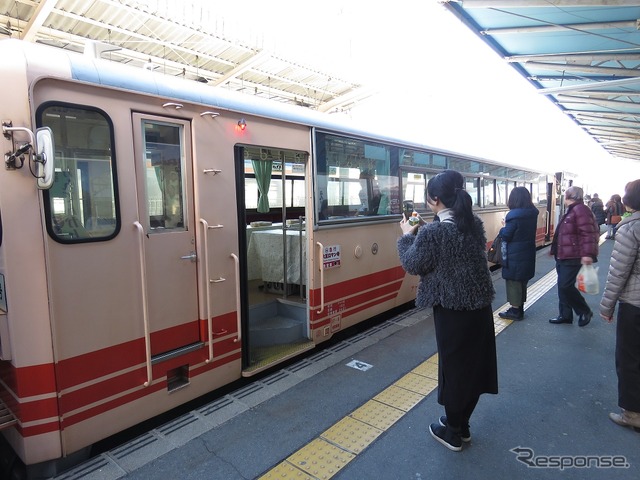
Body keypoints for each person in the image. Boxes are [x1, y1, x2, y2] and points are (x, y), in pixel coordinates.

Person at [397, 170, 497, 452]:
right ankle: (462, 424)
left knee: (454, 370)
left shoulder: (434, 232)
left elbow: (413, 263)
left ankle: (453, 431)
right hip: (480, 308)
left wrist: (407, 236)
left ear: (434, 200)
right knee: (474, 368)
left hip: (452, 311)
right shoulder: (472, 224)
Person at [600, 179, 640, 431]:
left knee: (629, 358)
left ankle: (633, 414)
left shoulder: (632, 227)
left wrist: (606, 307)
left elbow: (619, 272)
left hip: (635, 304)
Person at [549, 186, 600, 327]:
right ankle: (565, 315)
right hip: (564, 254)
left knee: (565, 285)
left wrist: (588, 254)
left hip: (573, 255)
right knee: (562, 285)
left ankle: (584, 310)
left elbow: (589, 233)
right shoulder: (574, 210)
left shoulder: (580, 210)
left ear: (569, 196)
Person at [497, 187, 539, 320]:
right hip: (527, 252)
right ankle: (519, 308)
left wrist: (502, 228)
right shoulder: (532, 213)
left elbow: (507, 235)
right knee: (522, 281)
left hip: (514, 254)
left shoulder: (513, 216)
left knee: (513, 281)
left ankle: (515, 311)